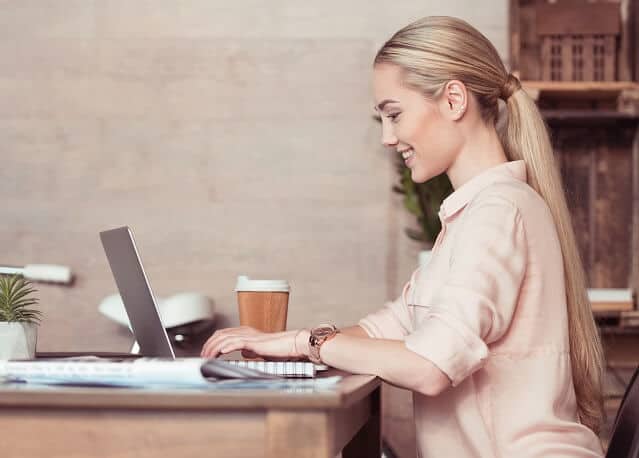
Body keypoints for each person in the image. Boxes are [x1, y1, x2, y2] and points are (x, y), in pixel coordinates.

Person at [201, 16, 605, 457]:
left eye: (394, 115)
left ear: (453, 100)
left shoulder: (499, 211)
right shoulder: (475, 213)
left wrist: (308, 345)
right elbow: (392, 325)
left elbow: (430, 365)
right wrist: (290, 343)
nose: (387, 138)